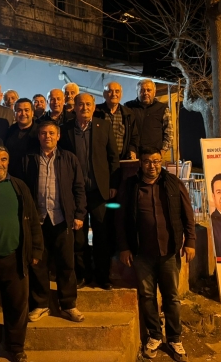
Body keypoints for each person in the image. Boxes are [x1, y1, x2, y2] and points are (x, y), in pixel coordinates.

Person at [116, 147, 196, 362]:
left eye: (156, 161)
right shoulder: (131, 186)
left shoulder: (172, 183)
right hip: (142, 254)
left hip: (169, 251)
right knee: (148, 296)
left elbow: (187, 213)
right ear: (140, 163)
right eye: (147, 161)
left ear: (161, 162)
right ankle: (154, 336)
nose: (152, 166)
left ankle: (175, 338)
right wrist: (124, 247)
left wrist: (190, 241)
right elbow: (120, 219)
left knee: (172, 297)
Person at [0, 138, 43, 362]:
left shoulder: (19, 186)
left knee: (17, 307)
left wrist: (36, 250)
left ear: (8, 162)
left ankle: (15, 347)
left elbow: (32, 220)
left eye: (3, 159)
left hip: (14, 258)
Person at [22, 120, 87, 323]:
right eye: (43, 133)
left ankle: (68, 305)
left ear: (58, 136)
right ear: (38, 136)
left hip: (62, 219)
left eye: (51, 133)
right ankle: (41, 304)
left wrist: (79, 214)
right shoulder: (28, 159)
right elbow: (23, 190)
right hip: (38, 221)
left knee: (66, 264)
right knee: (38, 264)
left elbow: (79, 188)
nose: (47, 136)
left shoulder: (69, 158)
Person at [59, 94, 120, 290]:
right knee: (78, 238)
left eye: (88, 104)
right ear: (74, 107)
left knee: (102, 235)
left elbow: (113, 158)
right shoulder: (65, 129)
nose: (84, 107)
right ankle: (82, 275)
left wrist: (113, 184)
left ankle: (103, 277)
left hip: (99, 191)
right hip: (76, 193)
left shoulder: (104, 127)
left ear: (94, 107)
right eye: (80, 104)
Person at [124, 79, 172, 157]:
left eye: (149, 90)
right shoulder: (128, 107)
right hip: (133, 154)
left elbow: (169, 133)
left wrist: (162, 151)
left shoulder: (162, 108)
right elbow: (124, 131)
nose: (145, 93)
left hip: (153, 155)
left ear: (154, 92)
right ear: (137, 92)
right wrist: (129, 150)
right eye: (142, 90)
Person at [94, 81, 139, 160]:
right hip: (100, 159)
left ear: (121, 94)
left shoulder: (128, 114)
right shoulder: (95, 112)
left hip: (121, 159)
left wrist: (132, 150)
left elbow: (134, 136)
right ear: (104, 94)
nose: (114, 94)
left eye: (117, 91)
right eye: (110, 91)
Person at [4, 98, 39, 179]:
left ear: (32, 113)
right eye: (19, 110)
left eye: (26, 110)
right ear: (14, 113)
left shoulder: (40, 131)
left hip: (34, 177)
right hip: (12, 178)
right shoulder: (9, 131)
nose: (23, 114)